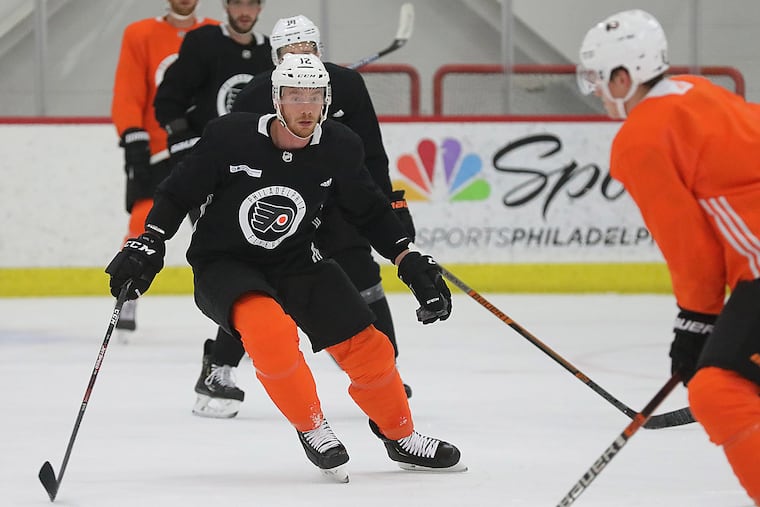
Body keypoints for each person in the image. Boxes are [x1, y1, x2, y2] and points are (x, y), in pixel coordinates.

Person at [105, 53, 465, 481]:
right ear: (277, 99)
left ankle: (402, 436)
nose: (305, 107)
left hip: (296, 260)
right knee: (270, 333)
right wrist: (150, 240)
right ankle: (313, 427)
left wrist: (407, 257)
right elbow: (176, 193)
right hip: (225, 264)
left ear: (326, 101)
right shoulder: (230, 136)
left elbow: (369, 212)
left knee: (369, 347)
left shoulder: (340, 146)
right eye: (295, 96)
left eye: (314, 96)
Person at [577, 9, 760, 505]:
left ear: (624, 77)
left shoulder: (640, 137)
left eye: (600, 78)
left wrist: (695, 324)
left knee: (719, 390)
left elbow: (692, 248)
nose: (596, 90)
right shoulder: (698, 90)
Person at [231, 14, 416, 400]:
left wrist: (391, 205)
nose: (300, 55)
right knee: (254, 283)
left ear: (319, 50)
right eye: (289, 51)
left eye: (307, 48)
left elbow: (371, 153)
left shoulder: (347, 85)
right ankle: (218, 366)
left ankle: (387, 370)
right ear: (275, 57)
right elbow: (234, 158)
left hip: (338, 201)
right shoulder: (254, 94)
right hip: (282, 202)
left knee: (363, 274)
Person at [153, 0, 274, 417]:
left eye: (251, 2)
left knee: (258, 266)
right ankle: (220, 366)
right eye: (237, 1)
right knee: (238, 266)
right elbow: (168, 100)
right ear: (226, 6)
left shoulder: (269, 53)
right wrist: (184, 141)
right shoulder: (204, 43)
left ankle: (220, 366)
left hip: (252, 176)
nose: (244, 10)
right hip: (209, 174)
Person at [110, 0, 218, 338]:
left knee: (218, 229)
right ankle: (128, 290)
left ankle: (232, 306)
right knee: (142, 221)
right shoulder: (140, 33)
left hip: (206, 148)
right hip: (158, 150)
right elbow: (128, 89)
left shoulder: (215, 33)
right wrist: (132, 133)